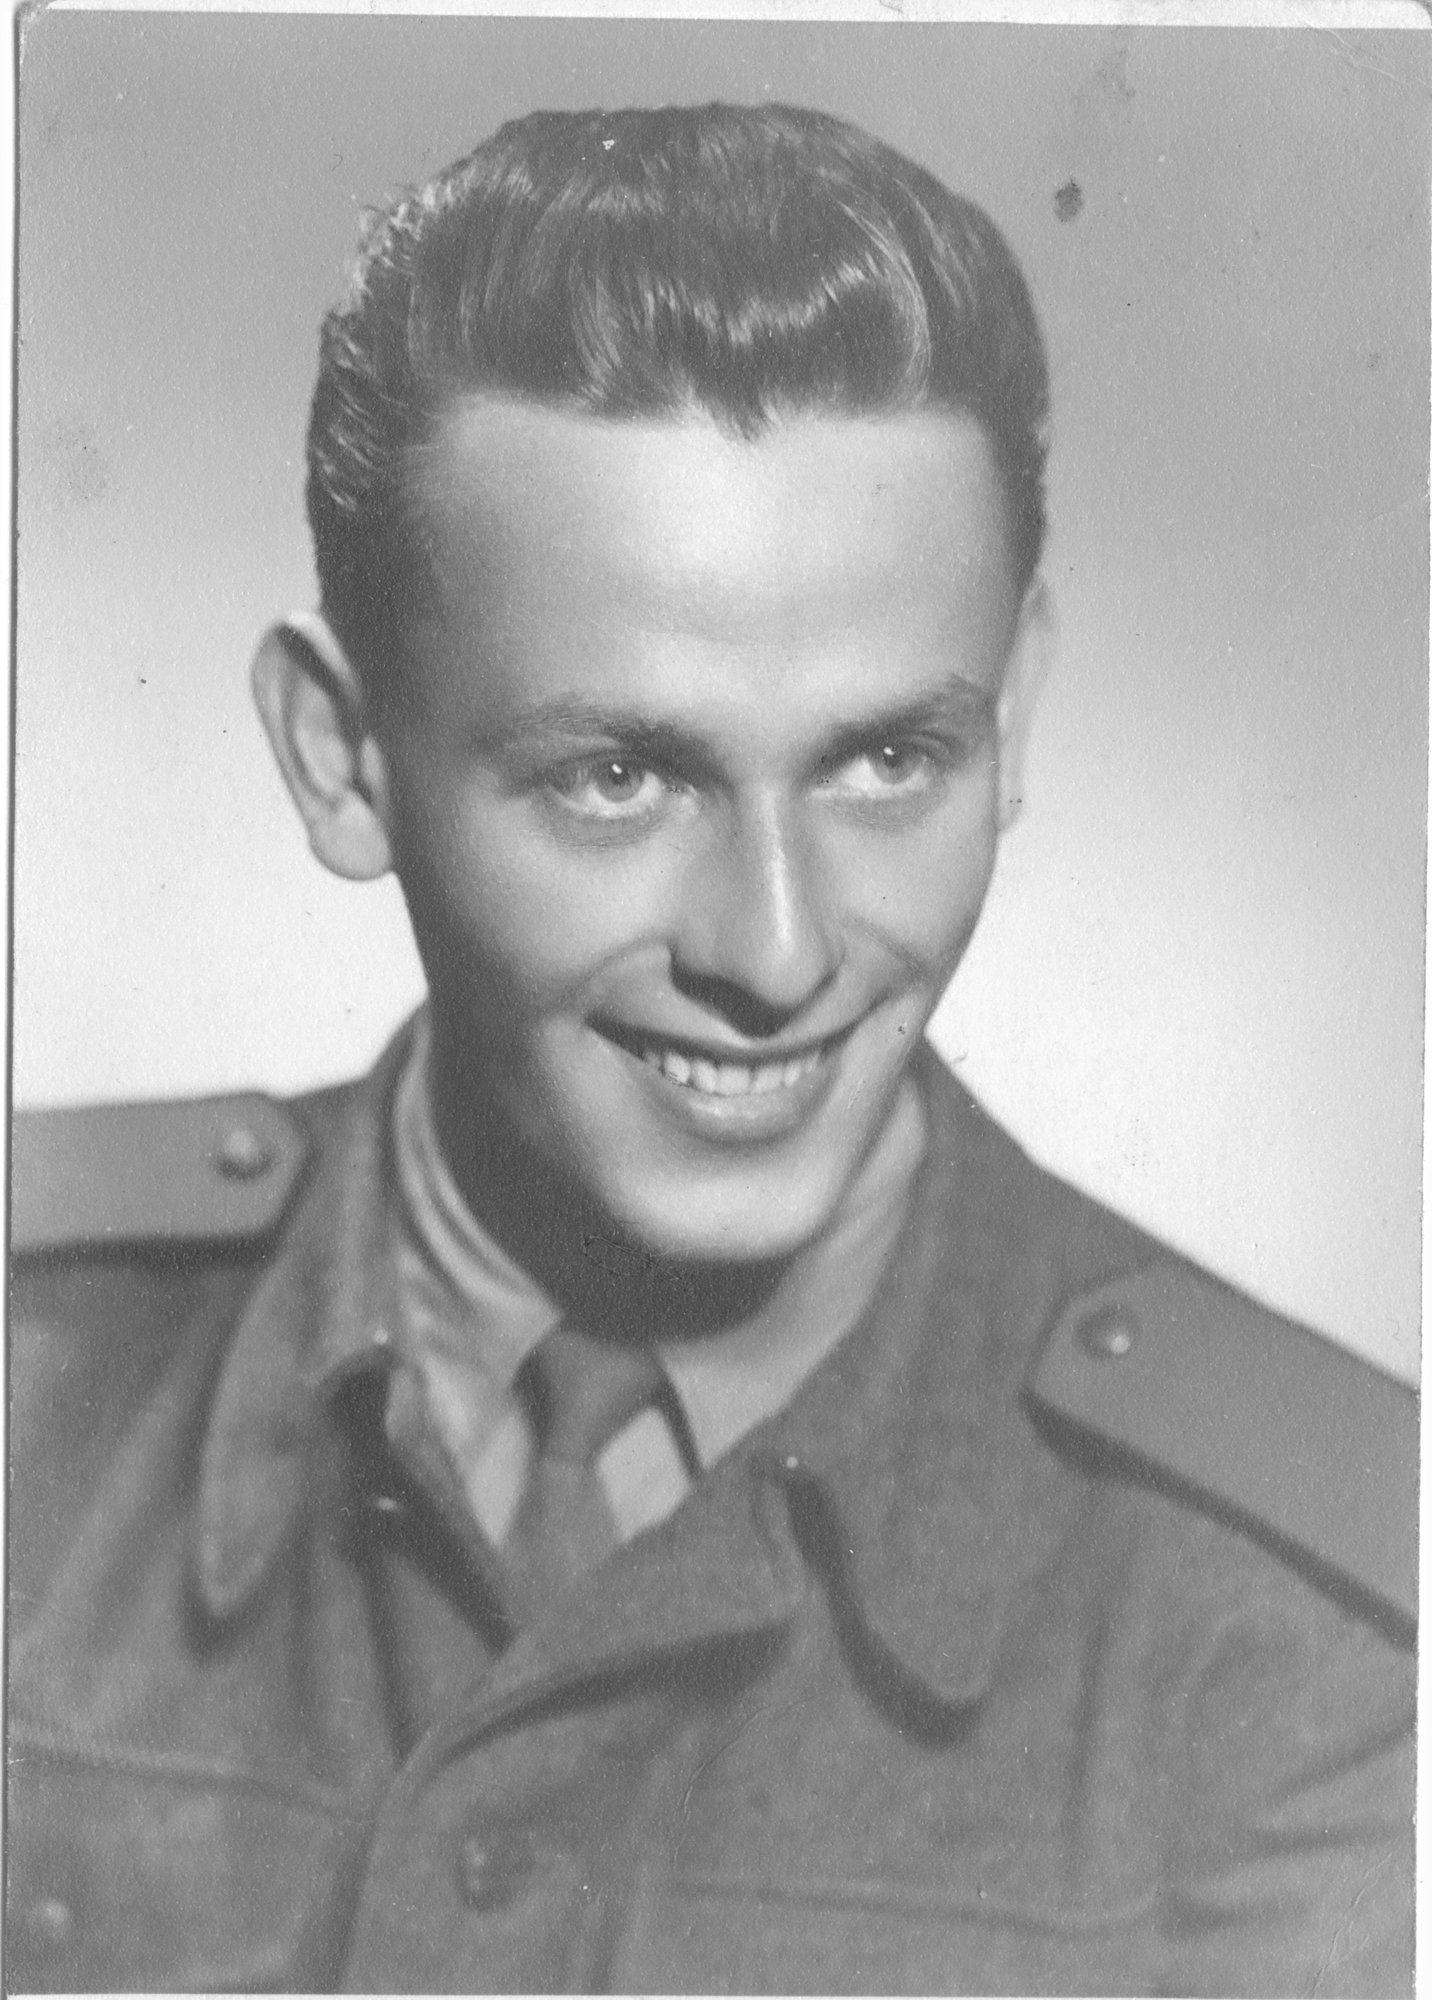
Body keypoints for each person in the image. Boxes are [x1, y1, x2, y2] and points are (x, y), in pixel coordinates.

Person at [7, 103, 1415, 1996]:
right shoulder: (32, 1386)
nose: (779, 952)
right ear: (343, 759)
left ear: (1014, 714)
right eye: (618, 775)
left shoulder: (1311, 1623)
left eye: (890, 758)